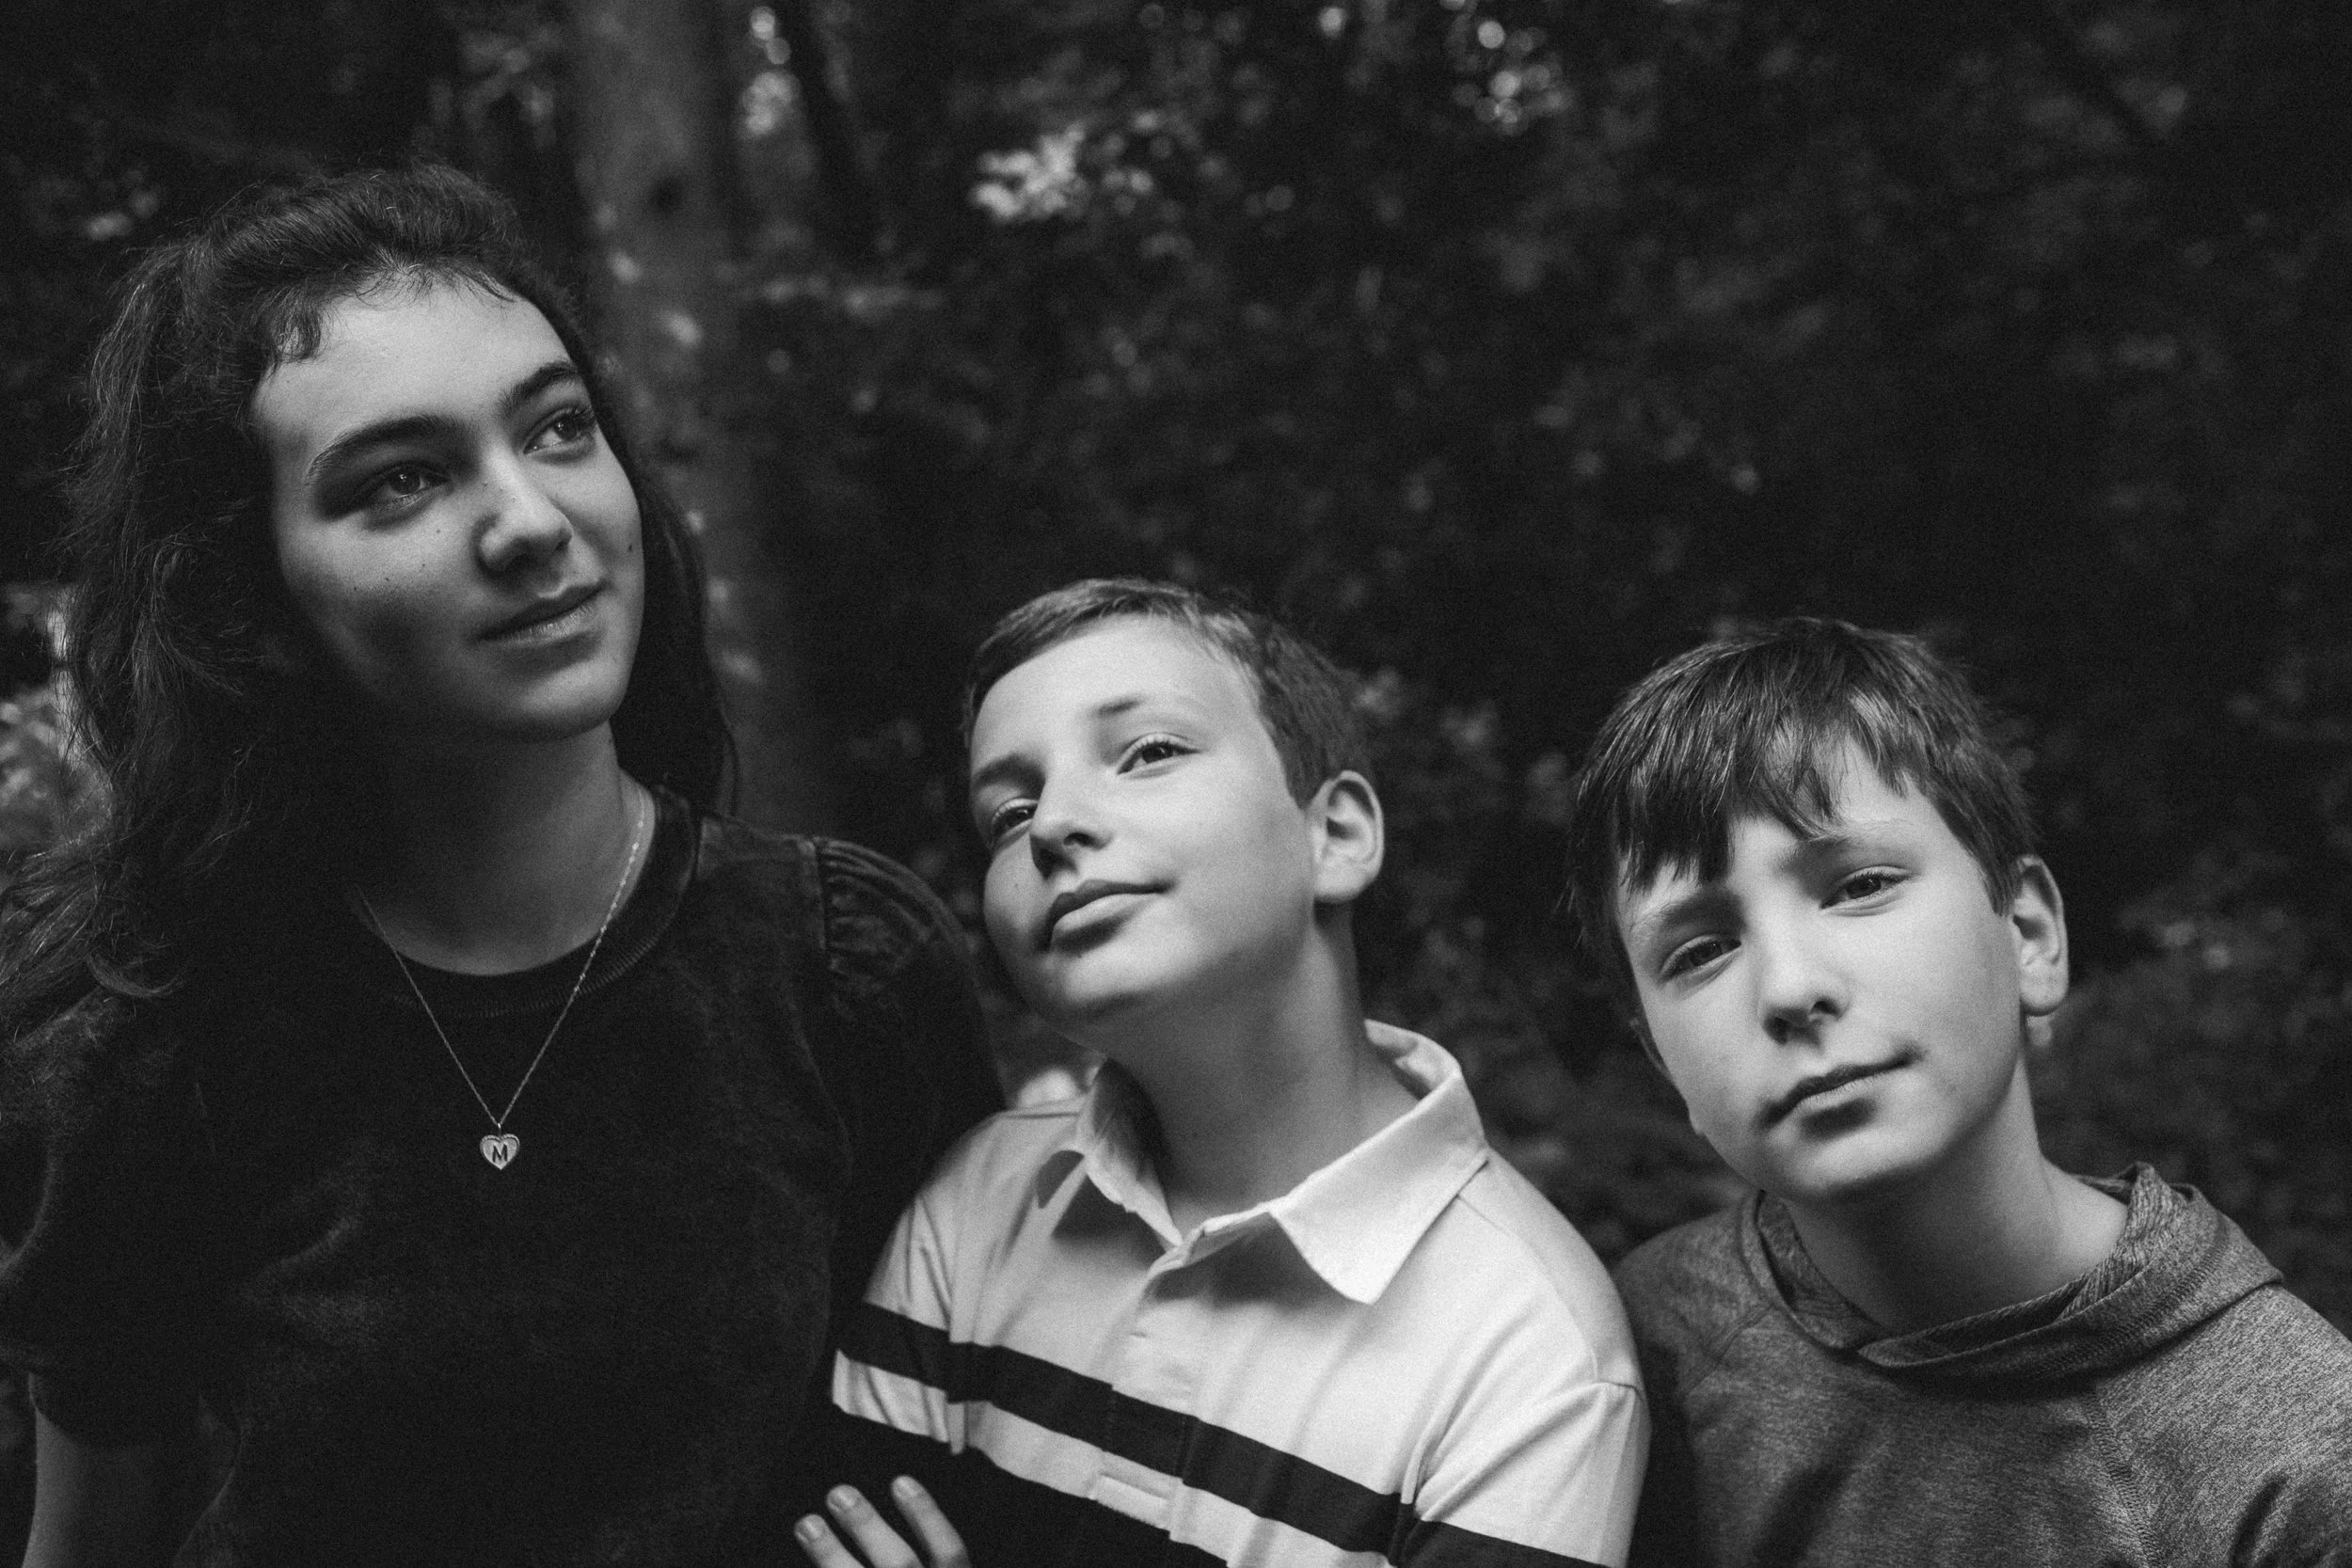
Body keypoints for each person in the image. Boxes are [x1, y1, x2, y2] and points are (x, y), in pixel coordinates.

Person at [0, 165, 1000, 1567]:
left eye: (559, 427)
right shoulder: (151, 1037)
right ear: (254, 598)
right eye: (404, 478)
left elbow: (1000, 1452)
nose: (530, 518)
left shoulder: (846, 970)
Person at [795, 578, 1647, 1568]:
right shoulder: (978, 1196)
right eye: (1008, 807)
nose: (1053, 823)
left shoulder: (1533, 1352)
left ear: (1334, 835)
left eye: (1148, 750)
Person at [1560, 616, 2352, 1566]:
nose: (1788, 987)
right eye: (1699, 948)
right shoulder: (1632, 1354)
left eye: (1857, 885)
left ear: (2025, 934)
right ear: (1660, 1060)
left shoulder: (2295, 1459)